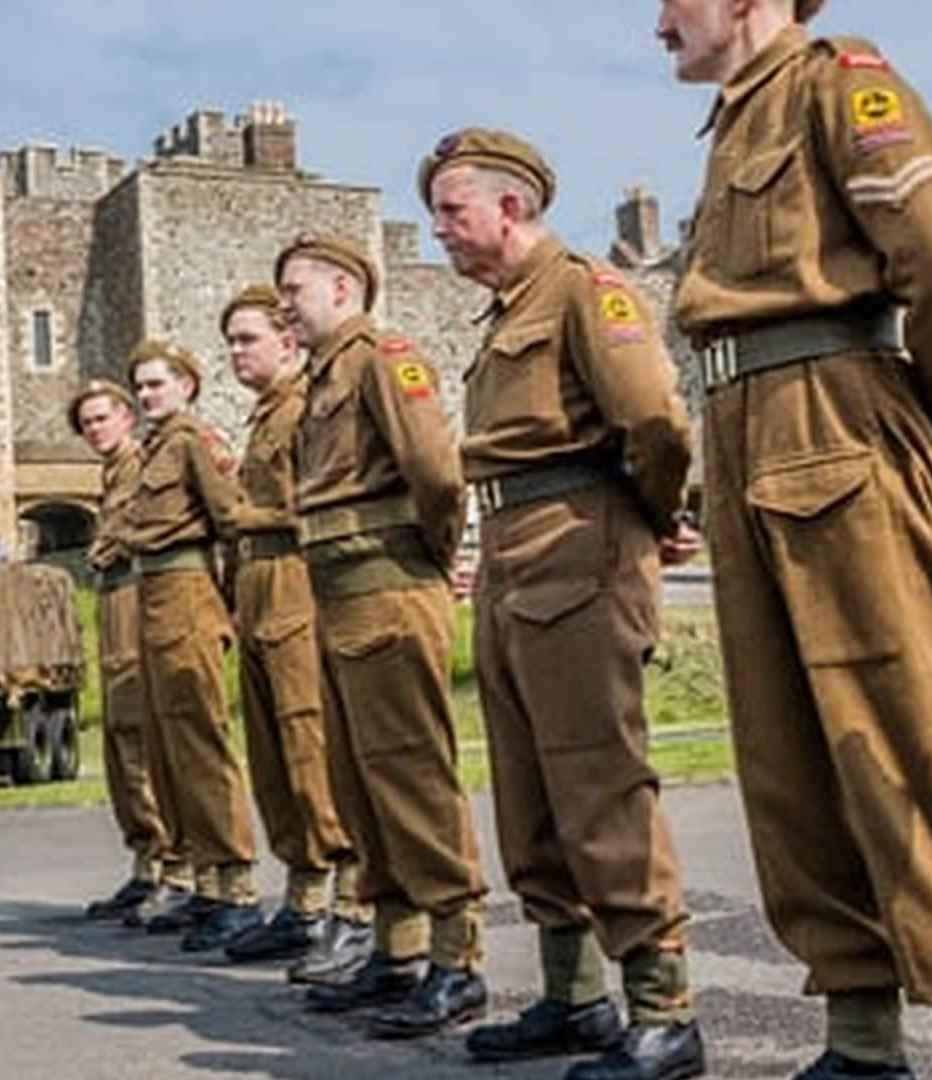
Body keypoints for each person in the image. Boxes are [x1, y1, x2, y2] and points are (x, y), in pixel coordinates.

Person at [659, 2, 932, 1077]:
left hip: (835, 414)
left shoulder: (839, 85)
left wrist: (917, 415)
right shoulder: (738, 119)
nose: (657, 21)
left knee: (890, 740)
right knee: (785, 756)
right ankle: (859, 1034)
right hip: (740, 429)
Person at [422, 129, 706, 1080]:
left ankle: (664, 1010)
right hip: (511, 553)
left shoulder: (586, 290)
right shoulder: (506, 313)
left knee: (599, 782)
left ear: (510, 207)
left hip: (580, 546)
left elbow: (655, 419)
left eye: (452, 210)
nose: (439, 230)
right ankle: (574, 995)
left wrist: (653, 517)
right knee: (530, 791)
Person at [275, 233, 488, 1036]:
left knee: (411, 773)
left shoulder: (382, 358)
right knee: (359, 782)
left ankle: (456, 959)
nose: (285, 307)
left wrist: (432, 556)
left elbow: (436, 471)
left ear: (343, 287)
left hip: (389, 587)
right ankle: (397, 953)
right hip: (336, 596)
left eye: (294, 291)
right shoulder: (324, 378)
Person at [214, 285, 374, 979]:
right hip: (256, 588)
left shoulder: (306, 408)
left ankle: (356, 908)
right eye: (230, 341)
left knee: (312, 750)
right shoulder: (265, 419)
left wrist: (247, 517)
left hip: (295, 581)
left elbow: (317, 499)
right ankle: (304, 901)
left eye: (247, 338)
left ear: (286, 341)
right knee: (274, 760)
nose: (235, 352)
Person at [121, 339, 263, 954]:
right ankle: (206, 880)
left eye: (157, 383)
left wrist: (227, 604)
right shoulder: (155, 448)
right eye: (140, 386)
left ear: (187, 385)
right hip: (153, 595)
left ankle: (237, 887)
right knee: (170, 749)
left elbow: (232, 520)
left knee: (202, 746)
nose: (146, 395)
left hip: (186, 594)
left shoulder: (195, 441)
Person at [70, 379, 190, 920]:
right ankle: (146, 863)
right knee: (120, 744)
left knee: (141, 737)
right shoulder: (112, 475)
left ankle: (172, 865)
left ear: (126, 416)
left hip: (138, 600)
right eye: (86, 424)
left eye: (102, 418)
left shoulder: (143, 466)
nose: (94, 430)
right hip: (112, 604)